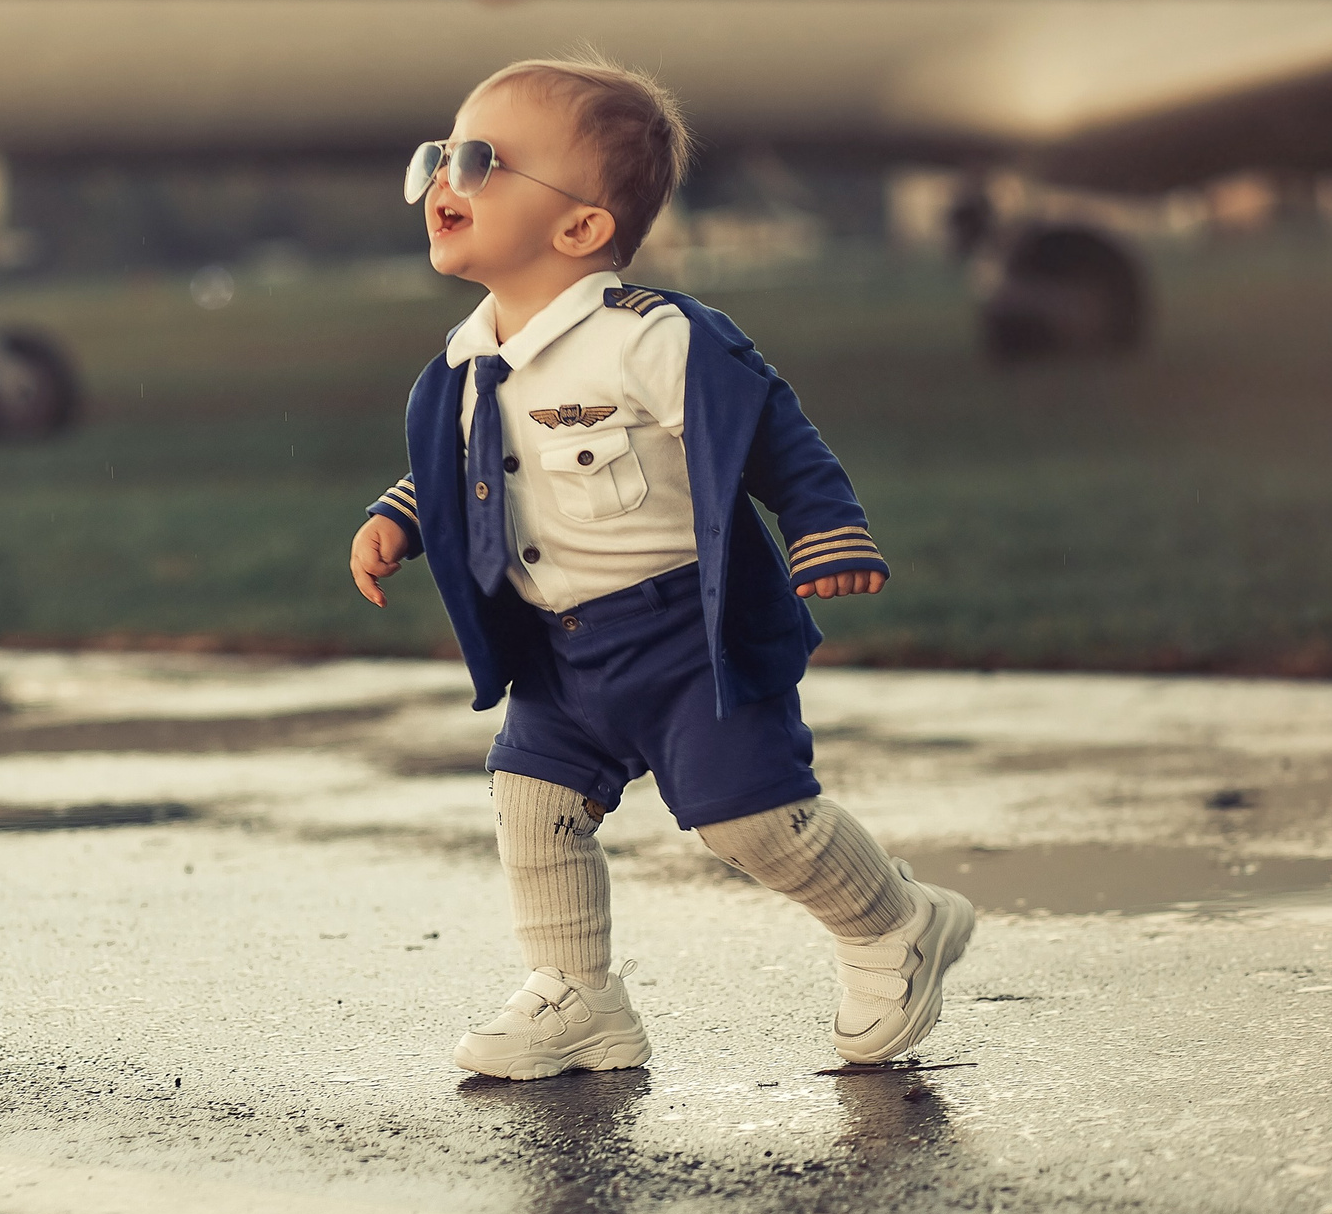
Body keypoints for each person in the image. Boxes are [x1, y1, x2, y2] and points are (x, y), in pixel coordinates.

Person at [348, 55, 973, 1081]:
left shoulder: (649, 340)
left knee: (753, 821)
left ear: (581, 228)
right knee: (531, 805)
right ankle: (577, 996)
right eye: (438, 156)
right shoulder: (468, 358)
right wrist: (398, 516)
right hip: (560, 649)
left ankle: (893, 925)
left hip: (685, 638)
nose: (444, 181)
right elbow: (469, 463)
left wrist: (824, 527)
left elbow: (765, 430)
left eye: (480, 160)